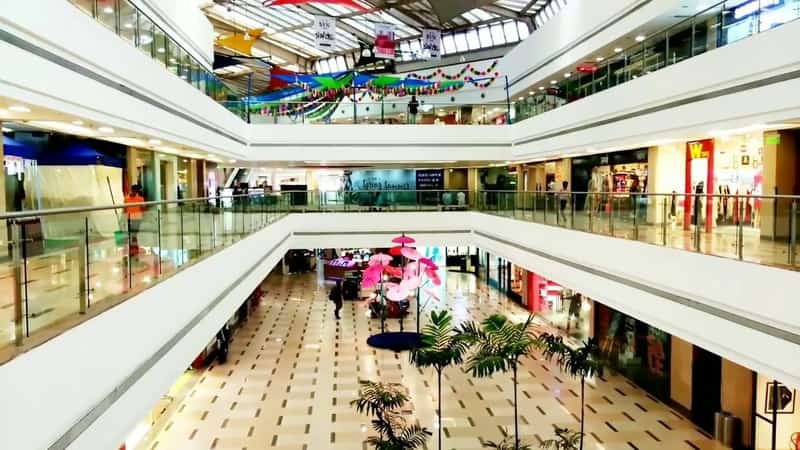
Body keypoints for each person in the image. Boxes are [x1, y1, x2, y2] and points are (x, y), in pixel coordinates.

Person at [125, 184, 145, 253]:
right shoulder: (126, 198)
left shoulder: (140, 199)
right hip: (129, 218)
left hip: (137, 218)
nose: (133, 192)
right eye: (133, 190)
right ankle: (133, 248)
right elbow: (124, 208)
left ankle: (134, 248)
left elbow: (143, 208)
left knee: (134, 234)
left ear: (136, 191)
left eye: (135, 190)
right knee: (131, 234)